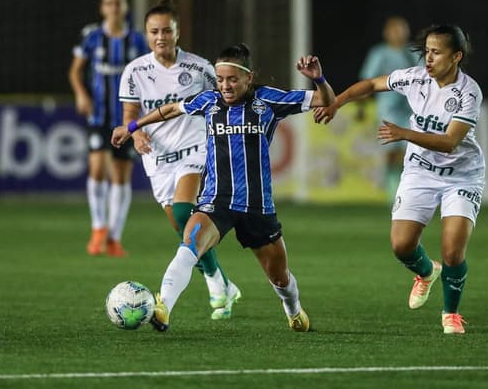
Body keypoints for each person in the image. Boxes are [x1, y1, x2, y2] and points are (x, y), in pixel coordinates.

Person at [112, 43, 335, 332]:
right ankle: (163, 306)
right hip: (216, 201)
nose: (225, 86)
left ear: (248, 78)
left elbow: (324, 100)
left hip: (257, 207)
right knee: (189, 246)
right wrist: (131, 128)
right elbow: (169, 110)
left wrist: (318, 78)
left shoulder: (268, 101)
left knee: (280, 278)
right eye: (220, 79)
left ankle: (293, 310)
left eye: (232, 79)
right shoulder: (208, 101)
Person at [315, 24, 483, 334]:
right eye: (426, 52)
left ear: (456, 56)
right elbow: (370, 85)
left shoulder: (468, 92)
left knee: (452, 251)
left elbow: (449, 142)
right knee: (402, 245)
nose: (428, 59)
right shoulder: (416, 77)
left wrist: (404, 133)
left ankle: (451, 314)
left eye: (436, 53)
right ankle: (425, 272)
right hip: (420, 172)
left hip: (461, 176)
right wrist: (337, 101)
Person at [118, 0, 241, 321]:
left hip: (196, 147)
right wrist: (137, 133)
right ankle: (222, 284)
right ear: (146, 34)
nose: (161, 37)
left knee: (187, 210)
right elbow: (130, 112)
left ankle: (216, 290)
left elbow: (227, 98)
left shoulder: (200, 68)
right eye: (154, 31)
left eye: (166, 30)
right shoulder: (135, 71)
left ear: (177, 32)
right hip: (158, 158)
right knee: (183, 228)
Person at [68, 0, 149, 257]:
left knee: (121, 177)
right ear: (102, 8)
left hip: (126, 118)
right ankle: (98, 228)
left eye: (118, 3)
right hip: (99, 115)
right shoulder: (91, 37)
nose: (114, 7)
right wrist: (81, 95)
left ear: (125, 8)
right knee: (97, 170)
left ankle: (114, 237)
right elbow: (75, 72)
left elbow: (146, 76)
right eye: (109, 3)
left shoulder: (137, 40)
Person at [359, 16, 419, 201]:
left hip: (411, 108)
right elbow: (368, 80)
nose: (399, 33)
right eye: (395, 29)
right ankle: (392, 190)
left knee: (409, 150)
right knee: (391, 149)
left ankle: (406, 190)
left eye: (402, 29)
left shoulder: (413, 52)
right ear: (387, 33)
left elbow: (426, 77)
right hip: (388, 108)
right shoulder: (380, 53)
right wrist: (361, 106)